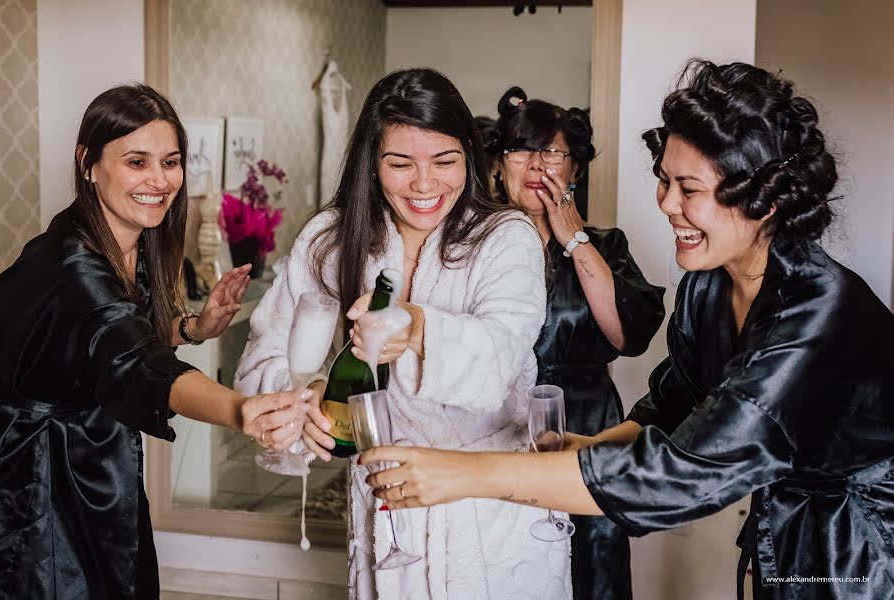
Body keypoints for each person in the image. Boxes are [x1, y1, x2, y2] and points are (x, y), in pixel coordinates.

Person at [363, 61, 894, 600]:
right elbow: (670, 411)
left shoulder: (817, 315)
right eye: (664, 180)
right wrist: (586, 447)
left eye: (687, 188)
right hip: (780, 537)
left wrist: (468, 475)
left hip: (865, 553)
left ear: (765, 200)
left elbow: (685, 469)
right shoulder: (707, 287)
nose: (665, 203)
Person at [235, 68, 571, 599]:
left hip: (492, 509)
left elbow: (505, 352)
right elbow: (267, 351)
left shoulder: (506, 238)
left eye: (444, 161)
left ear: (469, 156)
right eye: (399, 163)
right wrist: (305, 400)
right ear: (372, 162)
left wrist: (417, 329)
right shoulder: (330, 239)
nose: (423, 183)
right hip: (387, 504)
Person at [0, 84, 312, 599]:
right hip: (37, 480)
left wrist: (190, 328)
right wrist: (241, 410)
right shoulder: (73, 268)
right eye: (137, 162)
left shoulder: (126, 242)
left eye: (170, 162)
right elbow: (132, 358)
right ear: (88, 163)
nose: (160, 181)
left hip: (94, 456)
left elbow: (111, 336)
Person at [489, 86, 665, 600]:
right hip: (500, 427)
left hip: (589, 433)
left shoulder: (606, 246)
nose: (536, 164)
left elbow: (626, 337)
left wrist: (573, 237)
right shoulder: (475, 248)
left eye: (552, 152)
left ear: (575, 170)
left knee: (592, 570)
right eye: (521, 150)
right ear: (501, 167)